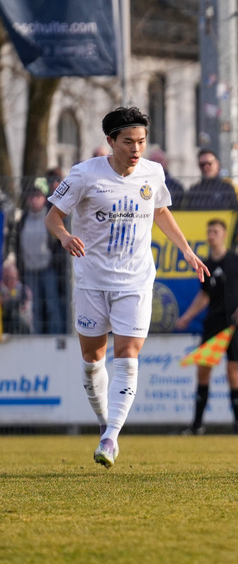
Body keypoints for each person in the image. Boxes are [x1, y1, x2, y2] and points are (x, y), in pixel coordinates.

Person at [45, 106, 208, 468]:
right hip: (91, 281)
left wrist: (186, 250)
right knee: (92, 360)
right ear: (111, 141)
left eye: (142, 141)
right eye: (128, 142)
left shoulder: (153, 172)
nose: (136, 149)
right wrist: (65, 236)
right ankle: (105, 420)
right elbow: (53, 216)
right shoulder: (84, 174)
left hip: (135, 280)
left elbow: (160, 210)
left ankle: (111, 437)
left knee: (128, 355)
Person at [175, 218, 238, 435]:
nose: (211, 235)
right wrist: (187, 316)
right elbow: (204, 296)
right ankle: (197, 425)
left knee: (232, 371)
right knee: (203, 371)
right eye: (209, 231)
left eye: (215, 231)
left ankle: (237, 425)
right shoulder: (206, 264)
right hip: (213, 324)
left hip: (234, 324)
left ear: (224, 234)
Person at [15, 185, 67, 334]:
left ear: (44, 199)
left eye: (37, 197)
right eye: (31, 197)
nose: (34, 200)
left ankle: (56, 335)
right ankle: (35, 335)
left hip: (48, 268)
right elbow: (17, 244)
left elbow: (57, 244)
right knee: (34, 306)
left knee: (52, 304)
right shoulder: (23, 219)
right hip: (29, 270)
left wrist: (54, 261)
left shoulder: (51, 217)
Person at [1, 260, 33, 334]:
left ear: (17, 277)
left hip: (22, 329)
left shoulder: (24, 291)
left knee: (14, 314)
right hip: (4, 327)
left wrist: (5, 302)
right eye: (6, 278)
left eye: (12, 278)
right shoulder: (2, 290)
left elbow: (22, 309)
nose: (9, 281)